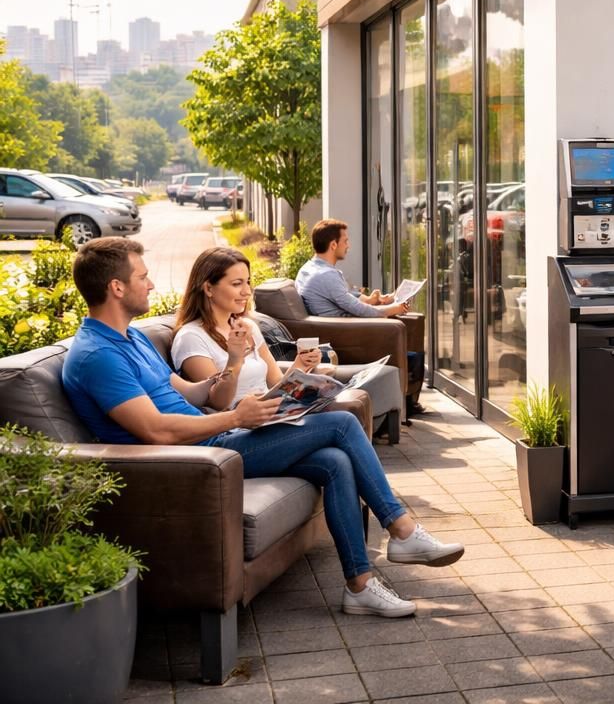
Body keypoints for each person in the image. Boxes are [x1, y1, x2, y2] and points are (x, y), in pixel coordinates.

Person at [61, 237, 464, 619]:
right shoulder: (97, 355)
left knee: (334, 461)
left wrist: (234, 370)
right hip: (197, 458)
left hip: (212, 437)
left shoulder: (130, 338)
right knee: (340, 424)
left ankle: (359, 586)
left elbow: (189, 391)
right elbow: (157, 432)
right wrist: (237, 416)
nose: (151, 284)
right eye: (142, 277)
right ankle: (401, 528)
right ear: (116, 287)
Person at [169, 246, 377, 435]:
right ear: (208, 288)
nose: (247, 291)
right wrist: (235, 360)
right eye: (236, 284)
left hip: (270, 419)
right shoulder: (191, 337)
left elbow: (276, 383)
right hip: (238, 429)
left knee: (335, 459)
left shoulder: (247, 326)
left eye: (248, 282)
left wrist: (300, 366)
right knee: (344, 423)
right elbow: (217, 403)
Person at [296, 218, 427, 419]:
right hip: (347, 335)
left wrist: (373, 299)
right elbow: (359, 310)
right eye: (345, 241)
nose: (348, 246)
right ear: (333, 245)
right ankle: (406, 404)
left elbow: (345, 297)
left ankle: (406, 402)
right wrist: (395, 308)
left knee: (412, 344)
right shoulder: (326, 276)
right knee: (412, 353)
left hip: (344, 328)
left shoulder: (312, 268)